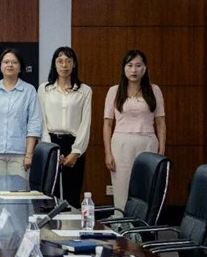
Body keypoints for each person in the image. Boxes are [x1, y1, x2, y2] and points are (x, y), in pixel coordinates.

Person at [103, 49, 165, 211]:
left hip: (148, 143)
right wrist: (108, 153)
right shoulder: (114, 91)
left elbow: (160, 122)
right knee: (122, 189)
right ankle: (122, 223)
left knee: (147, 189)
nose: (134, 70)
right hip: (121, 145)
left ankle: (143, 225)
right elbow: (107, 124)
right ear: (124, 68)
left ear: (145, 68)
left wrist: (161, 150)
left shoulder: (154, 90)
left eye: (138, 65)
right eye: (130, 65)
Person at [38, 46, 92, 206]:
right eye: (60, 61)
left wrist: (76, 152)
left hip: (74, 144)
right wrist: (50, 148)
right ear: (54, 64)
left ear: (74, 64)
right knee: (49, 194)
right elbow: (42, 120)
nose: (64, 65)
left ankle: (72, 222)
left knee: (72, 194)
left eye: (68, 61)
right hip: (51, 143)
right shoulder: (45, 89)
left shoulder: (84, 90)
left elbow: (85, 123)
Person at [0, 48, 42, 180]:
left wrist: (29, 154)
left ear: (20, 67)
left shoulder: (29, 91)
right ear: (0, 66)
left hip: (20, 154)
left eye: (14, 62)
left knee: (19, 190)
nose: (10, 65)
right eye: (6, 62)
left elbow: (34, 123)